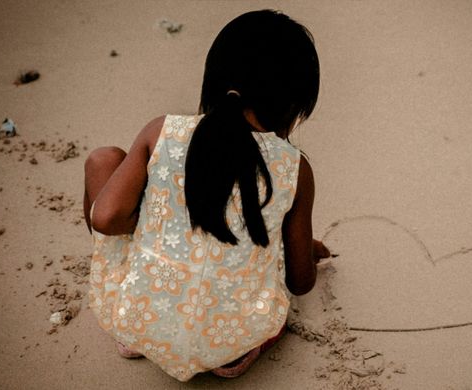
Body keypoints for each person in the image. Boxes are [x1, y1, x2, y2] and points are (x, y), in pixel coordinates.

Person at [82, 10, 330, 381]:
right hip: (231, 343)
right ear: (293, 106)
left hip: (140, 322)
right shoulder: (294, 168)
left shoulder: (163, 131)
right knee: (260, 264)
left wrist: (154, 222)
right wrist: (304, 250)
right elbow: (300, 282)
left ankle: (142, 331)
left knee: (105, 161)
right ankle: (237, 356)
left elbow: (105, 218)